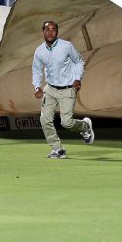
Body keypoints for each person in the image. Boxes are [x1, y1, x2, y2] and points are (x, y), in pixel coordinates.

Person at [32, 20, 94, 158]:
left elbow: (79, 61)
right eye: (47, 29)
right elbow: (36, 70)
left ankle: (85, 126)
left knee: (67, 123)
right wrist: (37, 86)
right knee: (45, 119)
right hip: (50, 89)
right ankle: (57, 149)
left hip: (68, 88)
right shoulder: (39, 51)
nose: (50, 32)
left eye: (53, 29)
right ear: (43, 32)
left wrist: (78, 78)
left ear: (57, 32)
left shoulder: (67, 46)